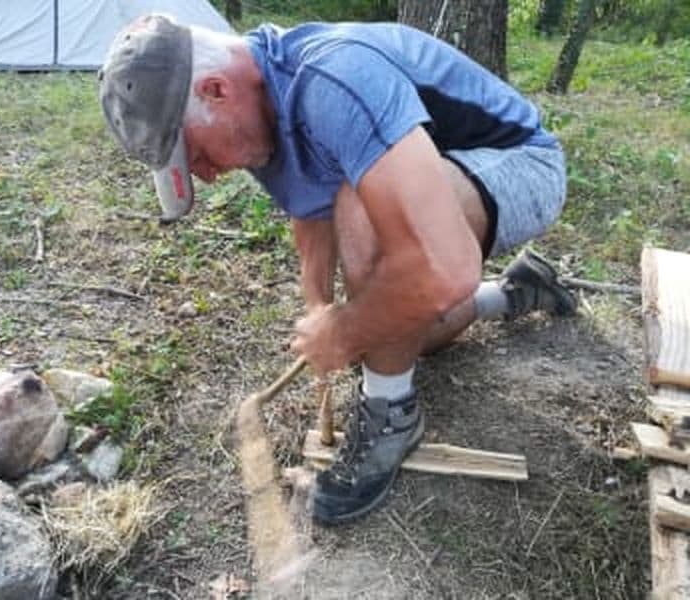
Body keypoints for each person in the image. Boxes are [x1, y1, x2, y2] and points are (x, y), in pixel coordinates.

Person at [98, 14, 577, 525]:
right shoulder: (257, 110)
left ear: (216, 91)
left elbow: (445, 265)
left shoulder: (333, 79)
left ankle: (393, 418)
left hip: (521, 163)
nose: (209, 176)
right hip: (439, 176)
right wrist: (321, 311)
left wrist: (346, 329)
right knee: (394, 330)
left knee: (368, 226)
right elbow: (309, 212)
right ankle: (514, 292)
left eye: (196, 155)